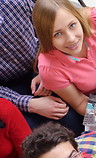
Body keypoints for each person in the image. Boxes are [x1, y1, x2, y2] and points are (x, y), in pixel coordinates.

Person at [0, 0, 84, 136]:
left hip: (40, 62)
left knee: (71, 115)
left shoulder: (13, 3)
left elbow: (44, 32)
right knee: (44, 135)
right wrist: (29, 104)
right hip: (8, 92)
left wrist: (44, 67)